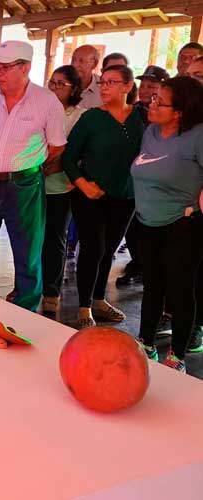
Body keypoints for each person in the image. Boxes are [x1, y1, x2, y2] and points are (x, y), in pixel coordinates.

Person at [0, 41, 66, 312]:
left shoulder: (46, 102)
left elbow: (57, 145)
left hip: (24, 185)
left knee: (27, 256)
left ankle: (26, 317)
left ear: (26, 68)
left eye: (6, 68)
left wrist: (27, 166)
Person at [62, 65, 144, 328]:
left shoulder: (141, 117)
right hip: (91, 195)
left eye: (112, 82)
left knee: (109, 249)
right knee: (93, 248)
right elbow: (69, 157)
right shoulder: (91, 118)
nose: (104, 87)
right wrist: (82, 184)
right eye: (103, 83)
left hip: (126, 195)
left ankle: (99, 299)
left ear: (128, 87)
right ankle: (84, 306)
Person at [133, 76, 203, 373]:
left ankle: (177, 356)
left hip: (182, 224)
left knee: (180, 290)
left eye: (160, 102)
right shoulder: (150, 132)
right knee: (152, 286)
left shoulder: (198, 136)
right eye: (153, 99)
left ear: (180, 111)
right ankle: (146, 345)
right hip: (146, 222)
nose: (152, 103)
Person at [115, 65, 170, 287]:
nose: (146, 91)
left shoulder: (167, 116)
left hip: (156, 182)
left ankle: (150, 271)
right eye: (143, 86)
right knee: (133, 228)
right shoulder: (134, 111)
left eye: (152, 87)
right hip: (132, 179)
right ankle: (137, 264)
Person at [41, 66, 85, 313]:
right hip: (34, 181)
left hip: (61, 186)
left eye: (61, 84)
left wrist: (54, 165)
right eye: (52, 83)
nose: (54, 88)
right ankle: (26, 285)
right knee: (30, 238)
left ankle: (51, 292)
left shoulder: (80, 115)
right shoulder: (40, 108)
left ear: (74, 89)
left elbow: (76, 151)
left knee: (54, 239)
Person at [71, 44, 102, 109]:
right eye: (73, 60)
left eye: (81, 61)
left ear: (94, 64)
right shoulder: (61, 84)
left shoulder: (103, 87)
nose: (75, 65)